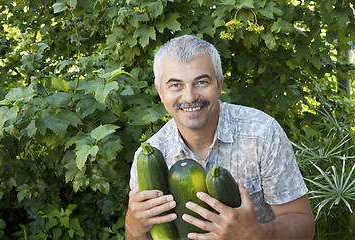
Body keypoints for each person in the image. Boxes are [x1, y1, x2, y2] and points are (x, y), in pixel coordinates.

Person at [125, 35, 315, 240]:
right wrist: (133, 229)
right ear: (160, 93)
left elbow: (303, 222)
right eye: (176, 85)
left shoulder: (262, 134)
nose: (189, 97)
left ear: (219, 85)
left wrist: (258, 234)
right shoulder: (151, 154)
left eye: (201, 81)